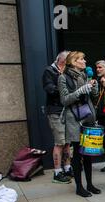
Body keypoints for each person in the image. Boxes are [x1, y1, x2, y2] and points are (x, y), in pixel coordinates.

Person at [58, 51, 101, 197]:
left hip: (87, 117)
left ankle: (89, 184)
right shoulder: (63, 78)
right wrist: (80, 91)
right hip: (74, 120)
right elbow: (65, 100)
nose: (84, 61)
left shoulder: (85, 75)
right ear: (74, 61)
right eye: (81, 59)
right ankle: (79, 187)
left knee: (88, 153)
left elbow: (94, 97)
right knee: (77, 153)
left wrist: (93, 86)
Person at [42, 51, 73, 184]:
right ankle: (57, 172)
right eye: (69, 59)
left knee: (67, 142)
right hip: (55, 111)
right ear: (61, 60)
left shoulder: (68, 71)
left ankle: (67, 168)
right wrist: (64, 90)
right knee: (59, 142)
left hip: (67, 110)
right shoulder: (49, 71)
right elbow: (49, 88)